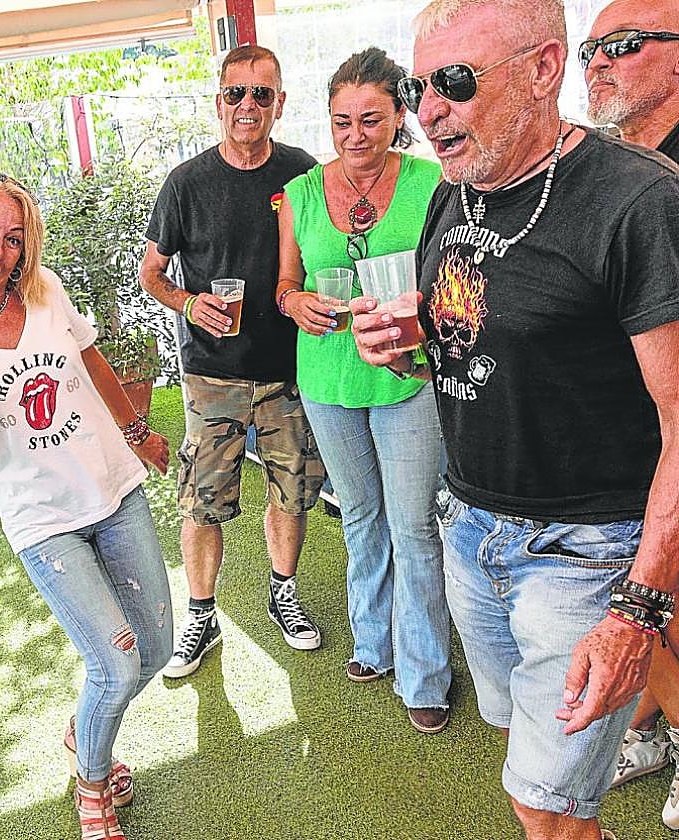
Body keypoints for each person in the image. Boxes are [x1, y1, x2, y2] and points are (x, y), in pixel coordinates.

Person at [352, 1, 679, 837]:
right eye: (421, 85)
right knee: (519, 753)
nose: (426, 112)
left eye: (454, 84)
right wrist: (411, 335)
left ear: (542, 71)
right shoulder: (452, 194)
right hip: (469, 525)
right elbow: (471, 323)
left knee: (546, 810)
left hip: (586, 552)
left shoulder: (637, 201)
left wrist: (637, 612)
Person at [0, 170, 172, 840]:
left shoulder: (44, 292)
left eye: (15, 238)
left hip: (112, 487)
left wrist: (137, 433)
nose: (0, 250)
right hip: (41, 519)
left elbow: (92, 361)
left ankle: (85, 732)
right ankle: (93, 786)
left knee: (157, 649)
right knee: (114, 664)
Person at [275, 47, 452, 734]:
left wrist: (419, 308)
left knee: (412, 526)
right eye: (343, 120)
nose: (356, 134)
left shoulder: (432, 185)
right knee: (360, 516)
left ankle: (425, 671)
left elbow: (455, 280)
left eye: (371, 119)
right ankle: (372, 643)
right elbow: (284, 285)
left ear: (398, 116)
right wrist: (295, 306)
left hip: (408, 376)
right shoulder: (300, 195)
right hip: (327, 374)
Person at [140, 43, 326, 679]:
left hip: (289, 369)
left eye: (262, 94)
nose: (248, 106)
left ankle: (282, 591)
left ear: (280, 103)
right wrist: (189, 304)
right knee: (201, 499)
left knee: (293, 490)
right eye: (235, 94)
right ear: (217, 101)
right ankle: (201, 614)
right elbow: (152, 275)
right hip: (212, 371)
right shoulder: (186, 183)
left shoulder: (303, 175)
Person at [582, 0, 679, 818]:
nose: (596, 63)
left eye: (622, 44)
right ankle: (654, 729)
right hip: (615, 438)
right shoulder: (603, 169)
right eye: (589, 49)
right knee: (632, 593)